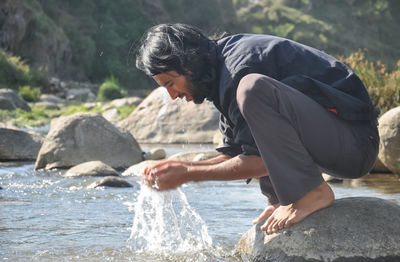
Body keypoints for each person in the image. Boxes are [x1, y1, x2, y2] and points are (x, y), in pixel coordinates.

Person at [135, 23, 379, 234]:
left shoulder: (240, 70)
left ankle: (311, 193)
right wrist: (181, 168)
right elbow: (236, 154)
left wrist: (189, 173)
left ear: (187, 63)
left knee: (252, 88)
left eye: (170, 83)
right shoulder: (218, 71)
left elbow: (258, 161)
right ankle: (284, 197)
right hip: (334, 141)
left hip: (355, 145)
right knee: (252, 100)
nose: (172, 95)